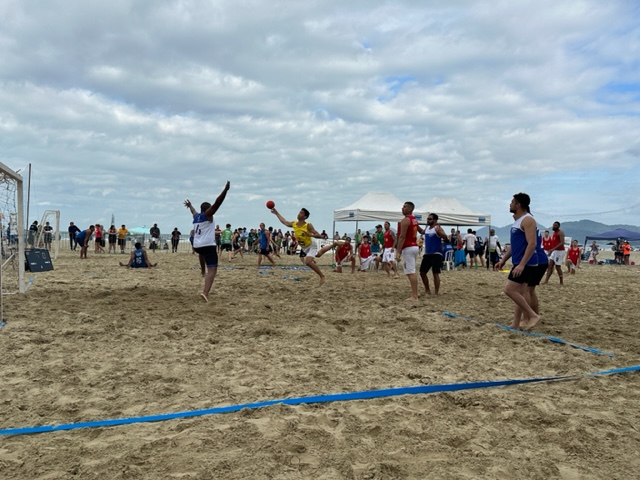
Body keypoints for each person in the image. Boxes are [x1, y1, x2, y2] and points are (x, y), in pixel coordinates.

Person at [495, 193, 540, 330]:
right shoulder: (518, 221)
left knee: (509, 290)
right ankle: (515, 324)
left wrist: (521, 264)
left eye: (512, 202)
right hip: (521, 261)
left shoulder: (528, 220)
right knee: (518, 294)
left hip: (527, 262)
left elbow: (532, 244)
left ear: (519, 204)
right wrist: (503, 260)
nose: (510, 204)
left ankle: (533, 315)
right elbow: (514, 245)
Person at [270, 206, 343, 285]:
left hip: (311, 245)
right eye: (299, 212)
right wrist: (276, 213)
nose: (299, 214)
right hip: (304, 247)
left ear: (305, 217)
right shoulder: (294, 224)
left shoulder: (308, 225)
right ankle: (334, 244)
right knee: (318, 255)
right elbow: (284, 221)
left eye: (301, 213)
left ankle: (322, 276)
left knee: (307, 261)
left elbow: (319, 235)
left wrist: (310, 235)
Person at [184, 180, 230, 302]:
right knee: (213, 269)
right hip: (208, 245)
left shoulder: (196, 216)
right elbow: (217, 203)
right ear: (207, 209)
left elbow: (193, 211)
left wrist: (190, 206)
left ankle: (202, 270)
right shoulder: (207, 214)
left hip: (197, 245)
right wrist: (225, 190)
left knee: (202, 254)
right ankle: (205, 292)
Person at [395, 201, 424, 301]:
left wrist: (398, 251)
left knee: (410, 271)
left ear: (410, 209)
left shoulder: (406, 220)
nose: (402, 208)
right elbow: (421, 231)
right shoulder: (414, 220)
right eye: (403, 206)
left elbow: (402, 236)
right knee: (411, 271)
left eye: (405, 207)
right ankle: (416, 291)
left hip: (408, 247)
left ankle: (414, 295)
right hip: (414, 246)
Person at [419, 213, 449, 295]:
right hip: (428, 253)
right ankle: (427, 290)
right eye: (427, 219)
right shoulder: (427, 228)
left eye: (430, 219)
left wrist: (439, 232)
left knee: (435, 273)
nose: (428, 220)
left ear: (435, 220)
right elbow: (421, 231)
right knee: (422, 272)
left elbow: (445, 238)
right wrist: (415, 224)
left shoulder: (438, 228)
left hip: (437, 253)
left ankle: (436, 292)